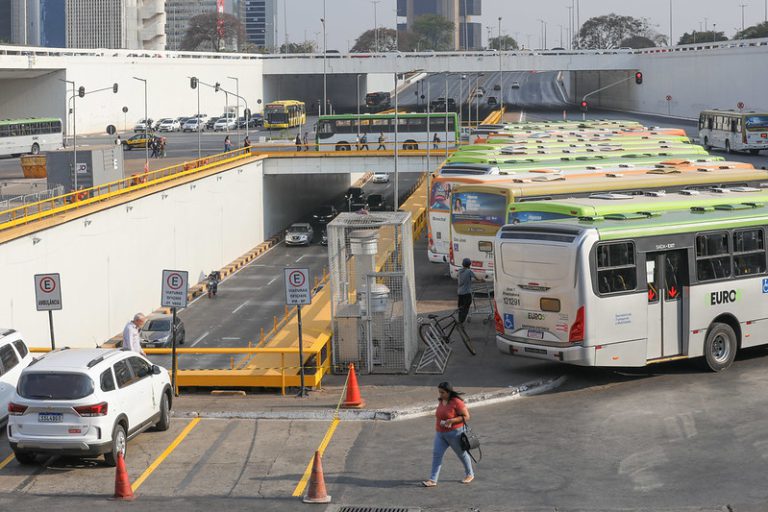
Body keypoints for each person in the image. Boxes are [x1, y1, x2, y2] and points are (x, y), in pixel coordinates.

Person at [422, 382, 474, 487]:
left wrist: (452, 420)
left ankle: (470, 474)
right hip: (440, 434)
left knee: (462, 454)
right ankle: (433, 480)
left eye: (442, 392)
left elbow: (467, 416)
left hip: (455, 433)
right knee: (437, 454)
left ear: (449, 392)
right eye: (439, 392)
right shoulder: (441, 400)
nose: (440, 395)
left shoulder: (457, 402)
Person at [457, 258, 477, 324]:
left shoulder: (459, 271)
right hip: (466, 293)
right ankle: (461, 321)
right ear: (469, 265)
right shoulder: (469, 271)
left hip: (460, 293)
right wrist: (483, 280)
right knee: (466, 306)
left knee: (460, 307)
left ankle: (459, 320)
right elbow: (476, 278)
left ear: (463, 264)